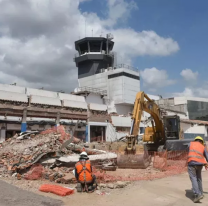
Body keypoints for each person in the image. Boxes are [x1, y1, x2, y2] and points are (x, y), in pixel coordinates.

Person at [187, 136, 208, 203]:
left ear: (195, 140)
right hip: (200, 164)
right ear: (201, 141)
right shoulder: (202, 146)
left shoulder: (190, 144)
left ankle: (197, 194)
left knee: (193, 178)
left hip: (192, 163)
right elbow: (207, 156)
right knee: (199, 178)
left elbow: (188, 151)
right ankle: (201, 193)